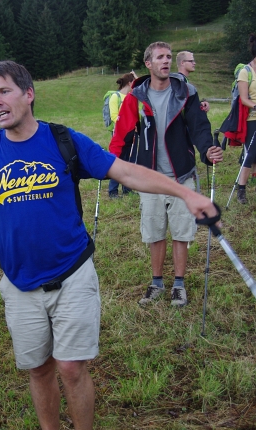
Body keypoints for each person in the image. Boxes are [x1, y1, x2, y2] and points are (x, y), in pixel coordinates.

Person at [0, 60, 218, 430]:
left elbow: (124, 170)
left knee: (70, 367)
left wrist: (184, 191)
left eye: (4, 91)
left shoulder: (62, 140)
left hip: (71, 273)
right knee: (37, 368)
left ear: (29, 93)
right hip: (19, 281)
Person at [110, 43, 223, 307]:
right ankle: (157, 282)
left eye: (169, 57)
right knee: (154, 231)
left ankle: (179, 285)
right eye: (160, 57)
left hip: (181, 174)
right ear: (148, 64)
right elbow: (122, 134)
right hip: (148, 177)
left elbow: (199, 128)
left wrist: (208, 151)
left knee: (181, 231)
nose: (166, 61)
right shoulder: (136, 97)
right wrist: (110, 162)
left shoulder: (185, 92)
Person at [107, 71, 137, 198]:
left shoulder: (132, 96)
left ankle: (127, 188)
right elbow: (114, 116)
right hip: (119, 133)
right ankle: (113, 190)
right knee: (117, 161)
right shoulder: (115, 97)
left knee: (129, 161)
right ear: (130, 83)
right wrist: (125, 122)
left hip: (131, 133)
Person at [235, 34, 256, 204]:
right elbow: (244, 99)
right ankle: (241, 189)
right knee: (251, 154)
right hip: (252, 119)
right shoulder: (246, 72)